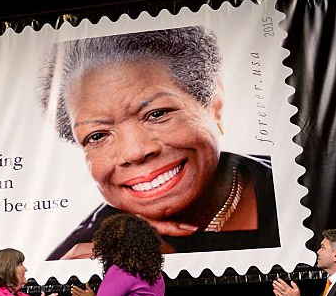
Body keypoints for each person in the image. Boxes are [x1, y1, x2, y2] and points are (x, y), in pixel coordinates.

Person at [36, 26, 279, 260]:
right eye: (97, 135)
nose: (135, 152)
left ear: (213, 105)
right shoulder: (75, 259)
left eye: (156, 114)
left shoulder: (298, 189)